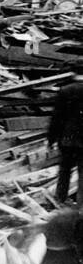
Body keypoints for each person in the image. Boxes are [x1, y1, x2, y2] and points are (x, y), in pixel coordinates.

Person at [48, 75, 83, 207]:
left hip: (67, 140)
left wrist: (51, 139)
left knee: (64, 171)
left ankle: (59, 199)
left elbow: (57, 118)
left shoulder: (65, 90)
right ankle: (81, 205)